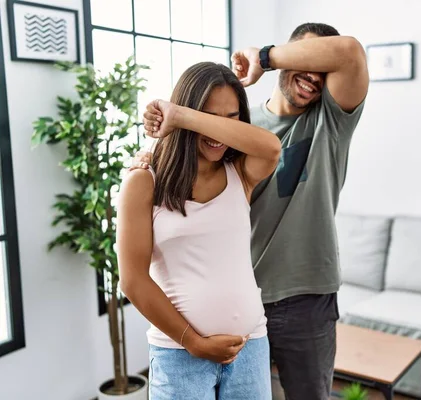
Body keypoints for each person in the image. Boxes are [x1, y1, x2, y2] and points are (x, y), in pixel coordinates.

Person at [138, 22, 369, 399]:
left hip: (306, 296)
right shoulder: (233, 131)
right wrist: (151, 158)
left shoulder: (332, 121)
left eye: (321, 66)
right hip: (241, 299)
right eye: (304, 59)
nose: (312, 74)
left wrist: (263, 57)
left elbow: (350, 53)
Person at [116, 62, 281, 400]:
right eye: (208, 116)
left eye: (230, 119)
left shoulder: (241, 172)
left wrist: (183, 116)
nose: (219, 132)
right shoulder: (143, 181)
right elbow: (132, 281)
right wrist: (194, 342)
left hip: (250, 346)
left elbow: (271, 147)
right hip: (179, 355)